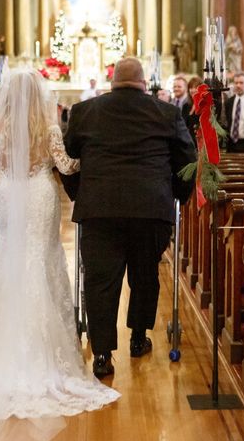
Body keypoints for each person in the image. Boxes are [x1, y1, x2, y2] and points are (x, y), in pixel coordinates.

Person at [0, 68, 120, 426]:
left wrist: (8, 172)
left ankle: (6, 348)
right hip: (39, 195)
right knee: (42, 258)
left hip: (9, 194)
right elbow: (65, 165)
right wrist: (94, 157)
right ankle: (45, 352)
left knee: (11, 259)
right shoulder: (48, 129)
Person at [62, 57, 196, 377]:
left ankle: (102, 354)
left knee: (100, 280)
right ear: (144, 81)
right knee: (145, 275)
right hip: (151, 207)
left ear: (113, 81)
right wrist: (176, 194)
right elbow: (187, 161)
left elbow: (66, 158)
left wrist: (79, 192)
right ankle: (138, 338)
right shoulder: (167, 113)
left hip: (99, 208)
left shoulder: (85, 112)